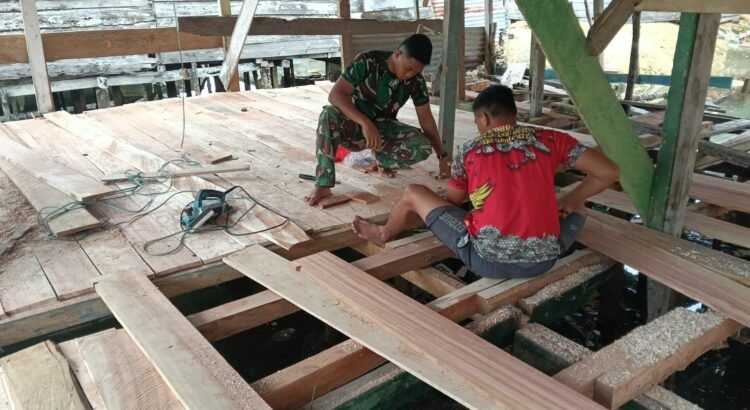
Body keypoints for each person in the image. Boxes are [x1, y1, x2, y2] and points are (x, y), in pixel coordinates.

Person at [352, 85, 620, 278]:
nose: (478, 126)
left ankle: (384, 233)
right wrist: (569, 199)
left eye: (477, 121)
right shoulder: (552, 140)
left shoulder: (471, 150)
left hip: (485, 261)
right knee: (580, 206)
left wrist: (432, 208)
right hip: (543, 262)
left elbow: (454, 202)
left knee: (413, 192)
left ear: (483, 118)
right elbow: (608, 172)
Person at [305, 34, 451, 206]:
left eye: (416, 72)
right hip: (354, 126)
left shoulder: (415, 80)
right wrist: (365, 123)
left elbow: (426, 120)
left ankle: (381, 160)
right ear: (397, 54)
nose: (410, 75)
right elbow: (336, 95)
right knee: (328, 114)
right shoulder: (368, 61)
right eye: (408, 68)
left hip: (383, 130)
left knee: (422, 146)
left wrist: (442, 157)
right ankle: (323, 184)